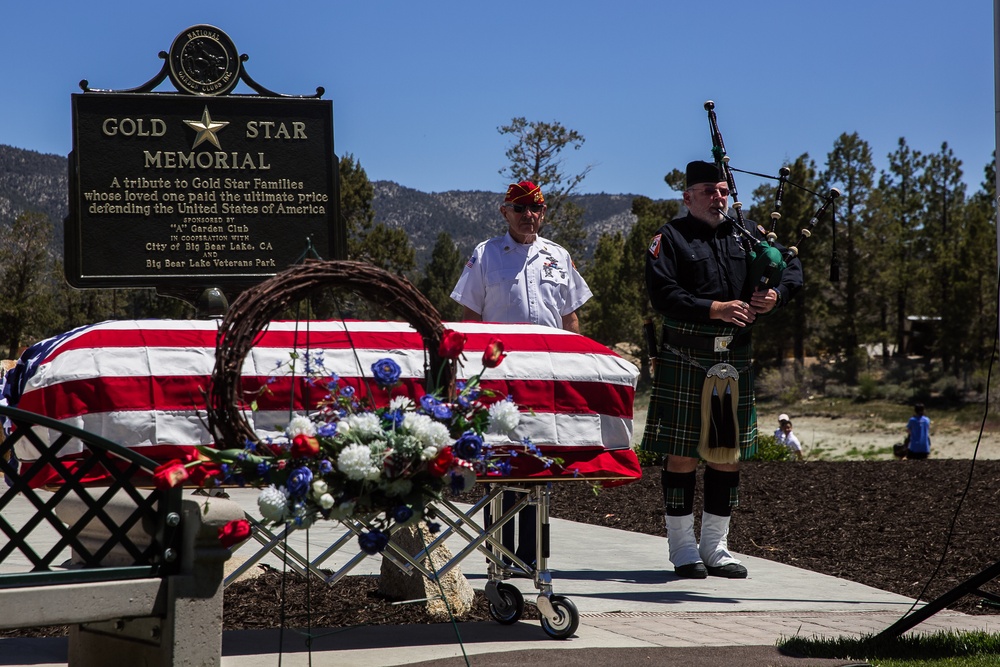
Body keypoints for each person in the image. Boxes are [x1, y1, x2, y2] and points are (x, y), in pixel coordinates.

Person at [641, 160, 803, 579]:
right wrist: (714, 308)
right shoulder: (669, 238)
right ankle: (682, 549)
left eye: (723, 191)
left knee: (726, 456)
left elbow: (790, 266)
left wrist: (776, 296)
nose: (719, 198)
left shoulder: (744, 234)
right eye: (710, 191)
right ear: (688, 197)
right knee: (681, 456)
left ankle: (715, 548)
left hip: (732, 362)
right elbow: (664, 294)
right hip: (686, 357)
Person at [450, 180, 593, 569]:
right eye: (520, 209)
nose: (529, 216)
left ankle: (531, 557)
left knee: (537, 466)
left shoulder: (559, 257)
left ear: (544, 212)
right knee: (499, 466)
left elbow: (571, 318)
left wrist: (575, 369)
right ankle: (498, 555)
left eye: (536, 209)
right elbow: (469, 320)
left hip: (546, 376)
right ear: (505, 212)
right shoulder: (486, 254)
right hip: (500, 378)